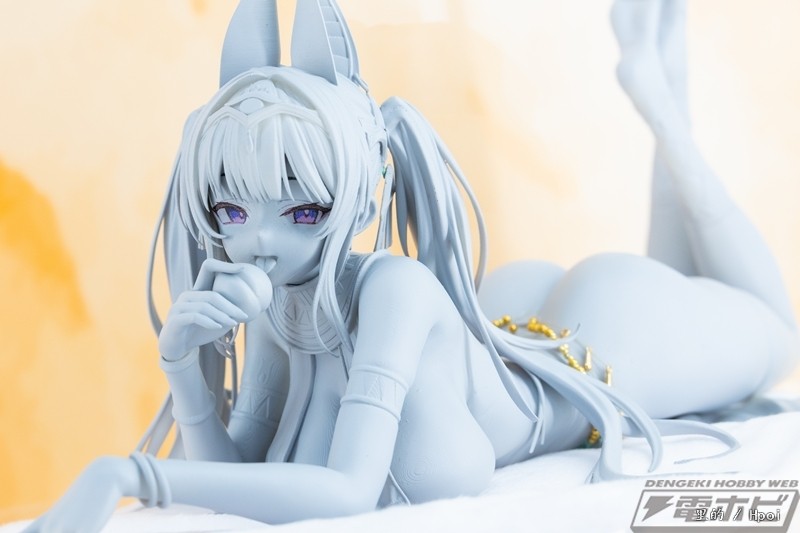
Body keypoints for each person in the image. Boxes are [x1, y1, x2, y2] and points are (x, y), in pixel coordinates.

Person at [26, 0, 798, 531]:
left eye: (303, 210)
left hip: (599, 342)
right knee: (695, 289)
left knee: (778, 335)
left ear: (361, 195)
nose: (260, 240)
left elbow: (347, 489)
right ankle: (666, 91)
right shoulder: (280, 306)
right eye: (232, 211)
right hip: (508, 321)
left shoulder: (393, 289)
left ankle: (663, 110)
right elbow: (241, 472)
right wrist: (183, 371)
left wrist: (132, 474)